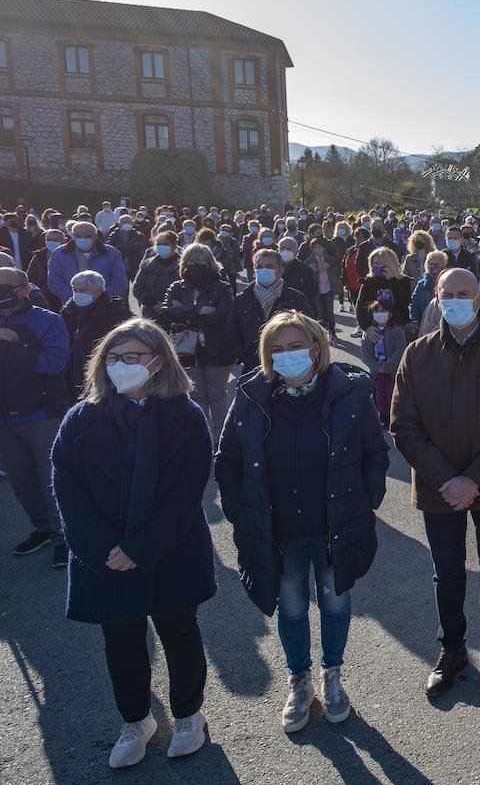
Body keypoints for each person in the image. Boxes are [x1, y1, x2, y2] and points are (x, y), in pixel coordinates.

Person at [52, 319, 214, 766]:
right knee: (120, 640)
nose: (120, 365)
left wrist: (140, 548)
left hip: (171, 549)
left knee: (179, 633)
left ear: (158, 361)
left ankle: (188, 714)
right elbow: (67, 488)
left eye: (133, 357)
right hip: (103, 555)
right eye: (113, 356)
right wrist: (102, 548)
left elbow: (186, 494)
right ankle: (135, 720)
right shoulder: (82, 418)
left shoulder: (185, 416)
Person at [216, 311, 388, 732]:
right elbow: (229, 459)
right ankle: (299, 679)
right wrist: (241, 512)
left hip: (334, 523)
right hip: (280, 530)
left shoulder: (350, 392)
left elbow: (374, 453)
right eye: (277, 350)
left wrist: (367, 502)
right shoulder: (251, 396)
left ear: (316, 347)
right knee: (290, 606)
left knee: (334, 601)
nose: (287, 356)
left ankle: (332, 674)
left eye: (296, 346)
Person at [392, 267, 480, 695]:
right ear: (436, 298)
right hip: (439, 490)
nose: (456, 300)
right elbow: (403, 426)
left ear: (479, 299)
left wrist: (473, 478)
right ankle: (452, 648)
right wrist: (447, 479)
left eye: (464, 293)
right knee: (448, 572)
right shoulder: (416, 354)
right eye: (447, 293)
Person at [0, 266, 71, 568]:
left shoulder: (48, 321)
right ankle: (43, 528)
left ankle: (64, 537)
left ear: (26, 289)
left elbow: (53, 363)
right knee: (22, 481)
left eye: (7, 286)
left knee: (52, 480)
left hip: (40, 414)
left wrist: (10, 345)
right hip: (4, 418)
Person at [161, 244, 236, 437]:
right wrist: (199, 309)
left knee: (218, 395)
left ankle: (222, 439)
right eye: (192, 262)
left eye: (201, 262)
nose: (196, 266)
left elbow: (222, 315)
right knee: (195, 395)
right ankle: (202, 436)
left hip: (217, 349)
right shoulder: (176, 287)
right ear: (184, 264)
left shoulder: (222, 288)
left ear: (210, 263)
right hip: (185, 348)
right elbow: (168, 311)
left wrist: (184, 312)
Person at [228, 250, 311, 371]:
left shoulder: (296, 298)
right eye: (259, 267)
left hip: (289, 365)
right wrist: (244, 355)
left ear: (281, 270)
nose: (264, 270)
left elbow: (308, 331)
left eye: (269, 266)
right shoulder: (242, 299)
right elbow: (232, 331)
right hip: (253, 365)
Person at [59, 270, 132, 401]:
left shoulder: (116, 313)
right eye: (74, 290)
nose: (76, 294)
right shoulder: (68, 311)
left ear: (98, 290)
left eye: (81, 290)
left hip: (103, 373)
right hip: (71, 374)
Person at [48, 220, 129, 306]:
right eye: (78, 236)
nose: (83, 239)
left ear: (95, 236)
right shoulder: (59, 254)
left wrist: (102, 299)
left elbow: (120, 280)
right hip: (72, 306)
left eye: (87, 236)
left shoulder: (112, 253)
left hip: (104, 307)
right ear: (72, 236)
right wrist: (74, 298)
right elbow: (54, 281)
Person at [360, 299, 406, 429]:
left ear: (390, 314)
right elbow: (365, 352)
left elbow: (400, 349)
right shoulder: (368, 332)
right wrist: (375, 366)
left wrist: (386, 366)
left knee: (392, 393)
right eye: (376, 311)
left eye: (383, 311)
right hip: (376, 372)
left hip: (391, 371)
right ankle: (381, 416)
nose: (380, 314)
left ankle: (392, 416)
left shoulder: (396, 330)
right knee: (378, 393)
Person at [357, 247, 413, 337]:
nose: (375, 266)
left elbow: (404, 302)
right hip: (375, 328)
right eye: (373, 263)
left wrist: (392, 280)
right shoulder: (369, 282)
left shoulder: (402, 281)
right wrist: (367, 327)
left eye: (378, 263)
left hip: (398, 328)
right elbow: (361, 307)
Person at [306, 238, 339, 339]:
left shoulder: (329, 259)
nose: (317, 249)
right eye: (315, 248)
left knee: (329, 312)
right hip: (317, 290)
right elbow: (303, 267)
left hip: (328, 288)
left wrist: (329, 265)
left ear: (324, 248)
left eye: (319, 247)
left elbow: (337, 262)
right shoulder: (309, 261)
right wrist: (310, 269)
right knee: (320, 312)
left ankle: (332, 331)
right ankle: (321, 332)